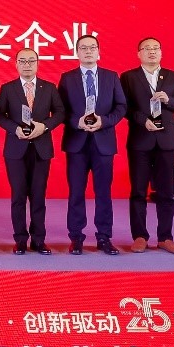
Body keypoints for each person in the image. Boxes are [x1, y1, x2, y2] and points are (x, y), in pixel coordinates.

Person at [120, 37, 174, 255]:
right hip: (141, 139)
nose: (152, 52)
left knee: (166, 191)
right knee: (138, 190)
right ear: (138, 53)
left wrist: (169, 100)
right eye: (147, 48)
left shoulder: (172, 76)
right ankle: (140, 236)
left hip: (166, 140)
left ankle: (165, 237)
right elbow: (124, 107)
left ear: (161, 52)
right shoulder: (129, 77)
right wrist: (143, 120)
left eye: (156, 48)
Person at [59, 34, 127, 255]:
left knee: (103, 192)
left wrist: (104, 121)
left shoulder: (111, 77)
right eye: (83, 48)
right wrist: (76, 122)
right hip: (76, 143)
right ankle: (76, 237)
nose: (88, 51)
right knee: (76, 192)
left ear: (99, 51)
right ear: (77, 52)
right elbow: (60, 110)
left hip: (103, 142)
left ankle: (104, 237)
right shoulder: (67, 78)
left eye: (92, 47)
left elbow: (121, 106)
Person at [0, 49, 65, 255]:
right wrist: (14, 129)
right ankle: (20, 240)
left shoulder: (49, 87)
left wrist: (45, 126)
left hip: (41, 148)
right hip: (16, 149)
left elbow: (60, 112)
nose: (27, 65)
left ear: (37, 63)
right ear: (16, 64)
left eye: (31, 61)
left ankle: (39, 240)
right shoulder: (8, 88)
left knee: (38, 195)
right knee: (18, 196)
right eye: (22, 61)